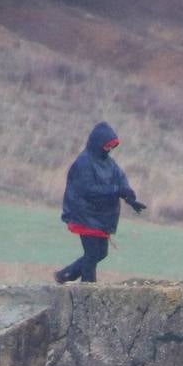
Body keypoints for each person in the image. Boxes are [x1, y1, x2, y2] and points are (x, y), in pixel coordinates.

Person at [54, 121, 146, 284]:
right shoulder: (83, 162)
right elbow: (89, 190)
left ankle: (65, 275)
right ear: (97, 144)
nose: (109, 150)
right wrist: (116, 190)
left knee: (101, 253)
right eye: (106, 146)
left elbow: (120, 179)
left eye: (111, 147)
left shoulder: (109, 163)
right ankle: (88, 290)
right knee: (92, 254)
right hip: (84, 214)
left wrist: (130, 198)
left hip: (101, 217)